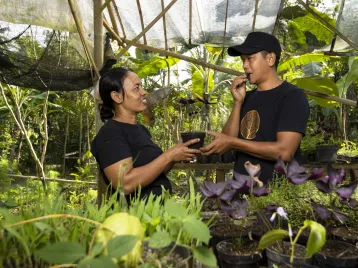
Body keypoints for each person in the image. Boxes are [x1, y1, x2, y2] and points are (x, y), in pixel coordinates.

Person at [200, 32, 310, 184]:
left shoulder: (292, 96)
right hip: (242, 192)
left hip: (276, 194)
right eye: (243, 60)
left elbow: (284, 152)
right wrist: (238, 103)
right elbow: (226, 142)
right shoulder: (246, 97)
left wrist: (233, 142)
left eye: (250, 58)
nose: (245, 65)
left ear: (270, 59)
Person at [91, 67, 200, 204]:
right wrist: (168, 156)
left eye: (141, 87)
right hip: (134, 218)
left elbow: (154, 172)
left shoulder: (141, 130)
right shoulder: (110, 133)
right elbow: (125, 184)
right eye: (136, 88)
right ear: (117, 97)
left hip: (155, 214)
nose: (144, 92)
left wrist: (175, 155)